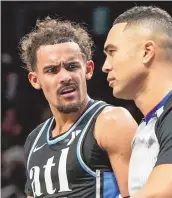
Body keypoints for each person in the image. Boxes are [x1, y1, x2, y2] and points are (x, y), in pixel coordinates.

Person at [102, 5, 172, 198]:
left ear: (147, 52)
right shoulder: (147, 124)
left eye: (112, 52)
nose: (105, 66)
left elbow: (158, 195)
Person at [19, 17, 137, 198]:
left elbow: (142, 194)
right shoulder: (34, 140)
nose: (65, 77)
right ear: (35, 80)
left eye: (72, 66)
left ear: (88, 69)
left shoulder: (111, 122)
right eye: (52, 70)